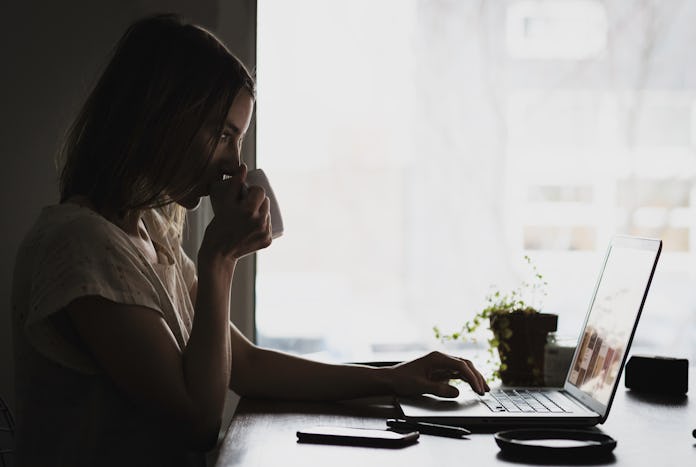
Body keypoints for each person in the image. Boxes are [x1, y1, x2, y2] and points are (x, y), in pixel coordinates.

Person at [10, 13, 489, 467]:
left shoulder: (148, 236)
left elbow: (247, 364)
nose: (234, 164)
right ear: (161, 119)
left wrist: (395, 377)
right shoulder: (81, 245)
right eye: (223, 134)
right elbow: (196, 420)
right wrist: (220, 256)